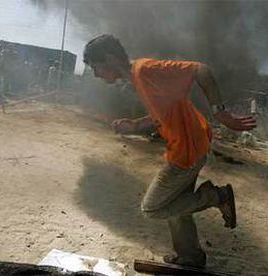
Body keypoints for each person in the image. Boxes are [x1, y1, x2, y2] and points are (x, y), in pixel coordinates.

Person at [83, 34, 256, 268]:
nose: (96, 74)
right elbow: (161, 115)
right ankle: (190, 256)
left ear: (110, 59)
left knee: (152, 207)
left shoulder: (144, 70)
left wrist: (219, 112)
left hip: (187, 150)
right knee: (176, 203)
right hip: (188, 144)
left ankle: (217, 196)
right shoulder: (138, 79)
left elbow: (201, 70)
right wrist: (134, 125)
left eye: (96, 67)